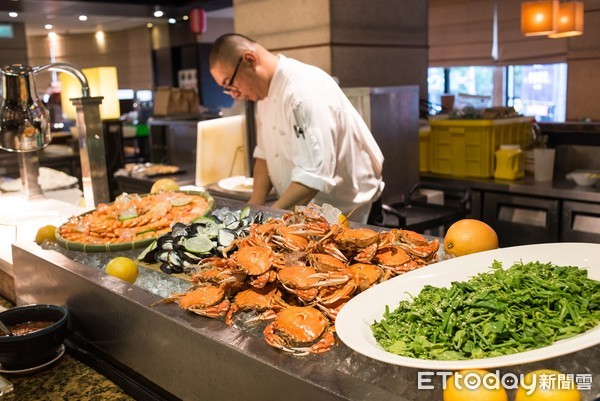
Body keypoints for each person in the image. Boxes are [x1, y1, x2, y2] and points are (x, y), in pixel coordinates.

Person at [209, 33, 384, 224]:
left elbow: (313, 177)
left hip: (349, 213)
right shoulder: (265, 94)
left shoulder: (304, 92)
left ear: (250, 59)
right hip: (308, 213)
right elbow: (265, 154)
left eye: (231, 84)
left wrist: (269, 218)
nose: (236, 95)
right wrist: (256, 205)